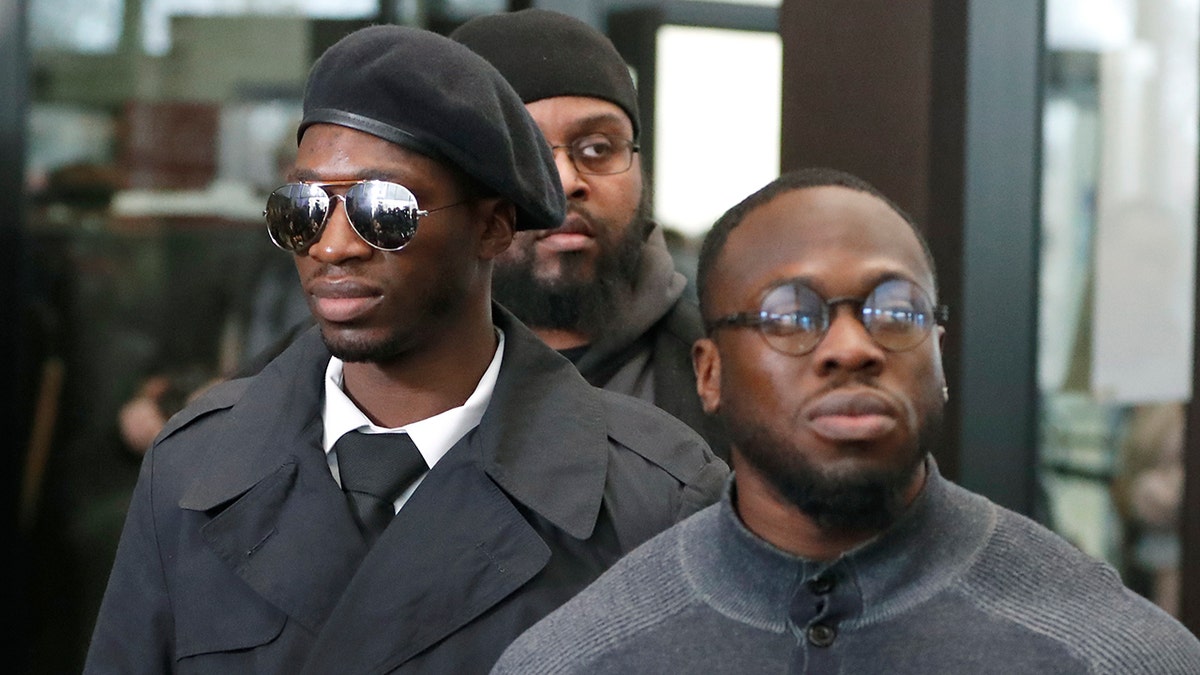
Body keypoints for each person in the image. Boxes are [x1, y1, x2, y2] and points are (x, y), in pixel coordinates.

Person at [84, 25, 726, 674]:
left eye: (384, 208)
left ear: (494, 225)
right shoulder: (194, 466)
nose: (332, 246)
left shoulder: (657, 495)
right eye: (302, 209)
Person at [491, 168, 1200, 674]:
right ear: (709, 373)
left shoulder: (1112, 651)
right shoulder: (581, 656)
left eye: (895, 310)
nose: (852, 347)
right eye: (791, 316)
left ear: (939, 358)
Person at [451, 10, 728, 460]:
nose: (565, 181)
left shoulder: (717, 371)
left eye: (598, 148)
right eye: (525, 154)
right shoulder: (354, 376)